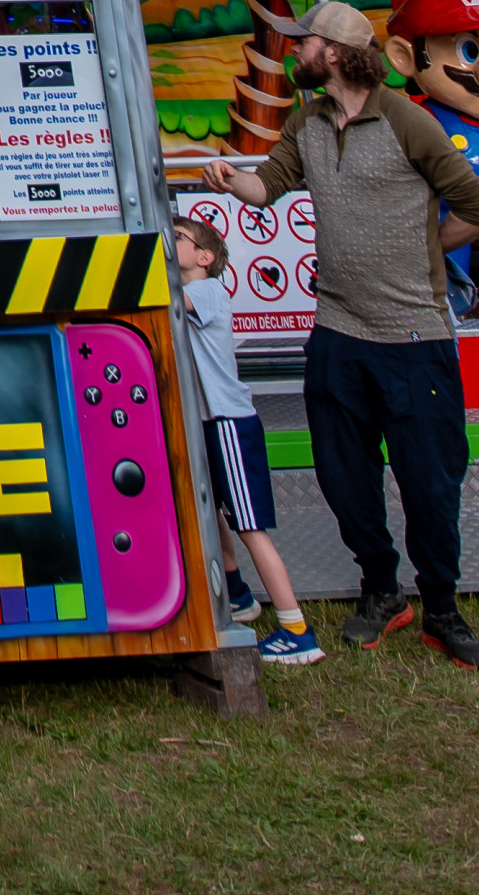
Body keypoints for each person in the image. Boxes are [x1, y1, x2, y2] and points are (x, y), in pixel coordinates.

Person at [222, 0, 479, 669]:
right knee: (343, 476)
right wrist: (231, 181)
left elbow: (477, 208)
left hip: (413, 336)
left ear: (337, 53)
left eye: (304, 43)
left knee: (429, 483)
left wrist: (424, 250)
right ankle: (382, 589)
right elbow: (269, 186)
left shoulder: (407, 121)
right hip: (338, 332)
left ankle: (443, 609)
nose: (295, 52)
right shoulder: (307, 122)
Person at [171, 208, 318, 665]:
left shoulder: (206, 291)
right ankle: (236, 594)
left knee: (250, 527)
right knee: (210, 511)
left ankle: (297, 629)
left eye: (177, 236)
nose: (167, 243)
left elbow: (166, 297)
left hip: (229, 423)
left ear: (205, 257)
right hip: (206, 423)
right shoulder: (191, 288)